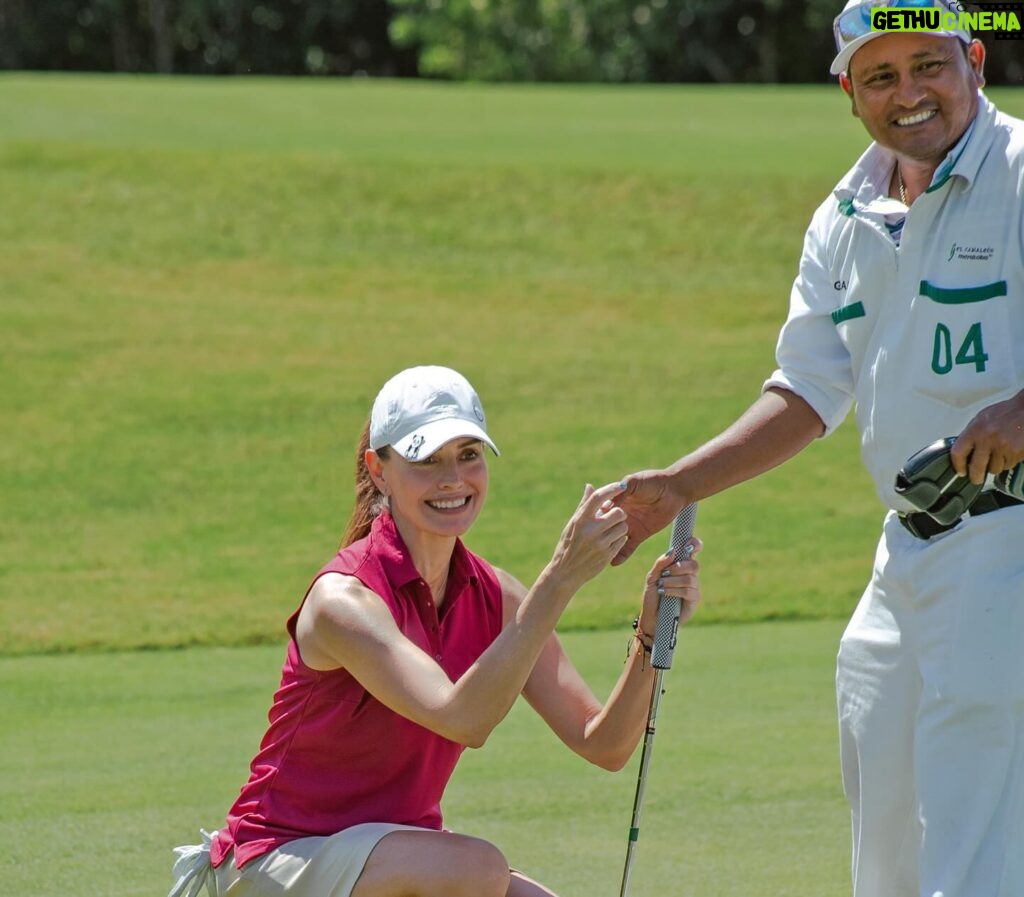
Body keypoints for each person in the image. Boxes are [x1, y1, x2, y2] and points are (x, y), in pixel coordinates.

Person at [608, 3, 1024, 896]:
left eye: (929, 65)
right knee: (883, 822)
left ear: (975, 61)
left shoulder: (1022, 173)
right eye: (881, 76)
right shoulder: (846, 212)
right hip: (909, 545)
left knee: (977, 831)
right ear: (849, 93)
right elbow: (807, 390)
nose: (909, 94)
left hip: (1011, 542)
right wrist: (678, 484)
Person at [168, 365, 701, 897]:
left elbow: (604, 743)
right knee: (476, 868)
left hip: (394, 860)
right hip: (276, 860)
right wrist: (560, 579)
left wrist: (651, 633)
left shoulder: (498, 596)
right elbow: (463, 719)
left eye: (469, 455)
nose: (452, 479)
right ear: (378, 470)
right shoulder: (343, 600)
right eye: (426, 459)